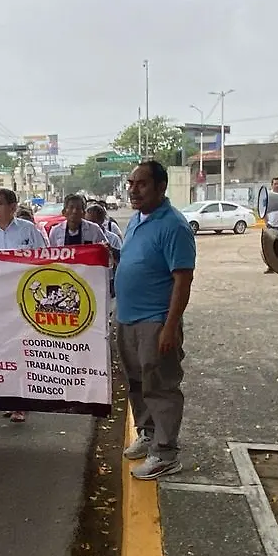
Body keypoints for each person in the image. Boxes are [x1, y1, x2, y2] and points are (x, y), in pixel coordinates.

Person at [116, 161, 196, 479]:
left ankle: (166, 452)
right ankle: (147, 435)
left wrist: (170, 326)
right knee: (137, 382)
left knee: (160, 385)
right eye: (131, 183)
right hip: (128, 318)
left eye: (142, 184)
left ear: (161, 187)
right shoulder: (137, 220)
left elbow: (183, 279)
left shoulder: (174, 225)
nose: (134, 189)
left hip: (155, 321)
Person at [0, 187, 49, 423]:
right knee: (2, 352)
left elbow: (45, 260)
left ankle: (23, 402)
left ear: (13, 207)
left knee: (22, 352)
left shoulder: (29, 231)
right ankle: (8, 398)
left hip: (23, 302)